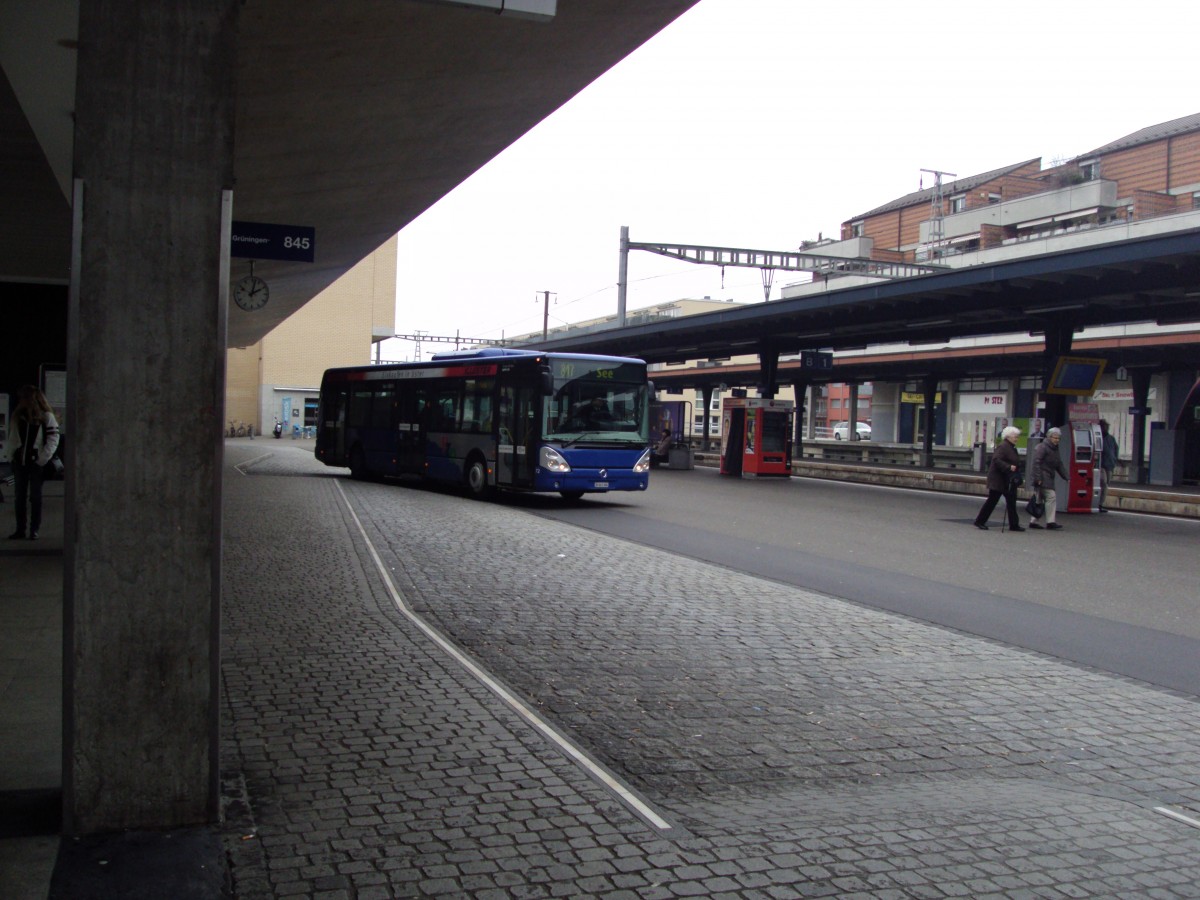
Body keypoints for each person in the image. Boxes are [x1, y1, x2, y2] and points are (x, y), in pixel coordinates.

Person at [6, 385, 60, 541]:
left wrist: (42, 459)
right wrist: (11, 457)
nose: (21, 401)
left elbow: (53, 440)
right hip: (19, 462)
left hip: (36, 463)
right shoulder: (18, 416)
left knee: (35, 497)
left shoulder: (46, 417)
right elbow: (12, 438)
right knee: (19, 497)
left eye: (24, 398)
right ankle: (20, 529)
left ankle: (34, 529)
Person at [973, 425, 1025, 531]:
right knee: (993, 500)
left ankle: (1014, 524)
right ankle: (980, 521)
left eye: (1017, 436)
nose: (1017, 438)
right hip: (999, 479)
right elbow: (996, 460)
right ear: (1008, 437)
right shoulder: (1003, 446)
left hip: (1007, 479)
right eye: (1015, 436)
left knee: (1011, 501)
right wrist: (1009, 467)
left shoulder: (1011, 447)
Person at [1029, 426, 1069, 530]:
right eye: (1055, 438)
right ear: (1049, 437)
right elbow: (1036, 463)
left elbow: (1059, 464)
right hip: (1042, 476)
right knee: (1051, 496)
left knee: (1039, 499)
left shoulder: (1054, 449)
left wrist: (1066, 477)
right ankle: (1050, 522)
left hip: (1046, 476)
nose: (1057, 440)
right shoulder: (1043, 447)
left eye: (1058, 438)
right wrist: (1038, 478)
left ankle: (1033, 521)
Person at [1098, 419, 1118, 512]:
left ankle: (1101, 503)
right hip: (1101, 465)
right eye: (1105, 426)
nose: (1106, 428)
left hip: (1110, 465)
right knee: (1103, 482)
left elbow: (1115, 449)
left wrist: (1114, 460)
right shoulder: (1099, 438)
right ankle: (1099, 503)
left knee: (1106, 484)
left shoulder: (1111, 439)